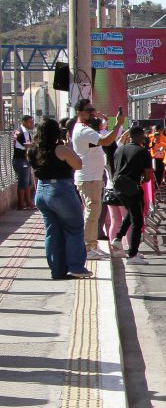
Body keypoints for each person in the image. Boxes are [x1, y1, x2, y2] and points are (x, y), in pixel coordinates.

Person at [27, 117, 87, 279]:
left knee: (52, 231)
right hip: (61, 190)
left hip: (41, 191)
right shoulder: (60, 149)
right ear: (56, 132)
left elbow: (35, 174)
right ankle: (76, 266)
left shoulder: (32, 150)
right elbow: (78, 164)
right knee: (74, 228)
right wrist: (69, 146)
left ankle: (57, 270)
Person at [71, 100, 124, 259]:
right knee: (91, 213)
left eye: (93, 110)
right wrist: (118, 124)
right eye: (89, 110)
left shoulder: (86, 129)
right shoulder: (82, 130)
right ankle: (87, 248)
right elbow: (106, 141)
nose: (92, 113)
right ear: (79, 112)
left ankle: (92, 244)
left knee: (94, 212)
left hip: (93, 177)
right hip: (88, 178)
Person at [109, 126, 153, 265]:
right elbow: (147, 176)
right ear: (141, 137)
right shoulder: (143, 152)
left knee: (132, 212)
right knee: (137, 220)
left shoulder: (120, 149)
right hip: (132, 187)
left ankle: (118, 238)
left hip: (117, 186)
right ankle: (132, 254)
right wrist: (142, 178)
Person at [12, 114, 35, 210]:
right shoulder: (24, 132)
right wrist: (30, 160)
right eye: (30, 122)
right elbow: (27, 147)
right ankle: (22, 204)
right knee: (23, 183)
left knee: (27, 182)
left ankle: (28, 203)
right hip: (22, 160)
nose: (32, 123)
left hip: (19, 160)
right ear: (24, 122)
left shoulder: (18, 130)